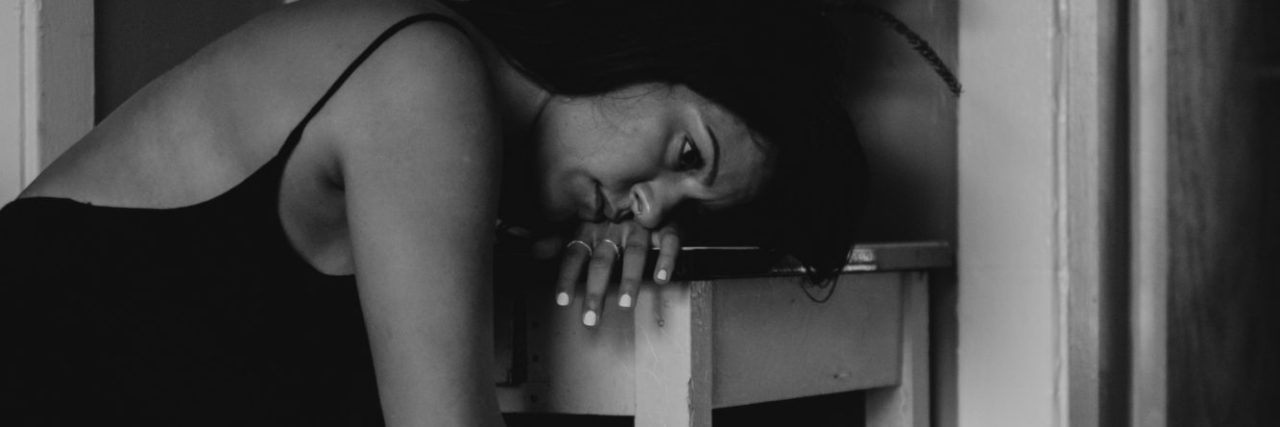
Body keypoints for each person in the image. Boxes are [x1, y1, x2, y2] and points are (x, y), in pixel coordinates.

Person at [0, 0, 895, 424]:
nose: (650, 207)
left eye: (684, 211)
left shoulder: (458, 137)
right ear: (646, 53)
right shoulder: (424, 80)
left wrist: (568, 231)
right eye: (684, 153)